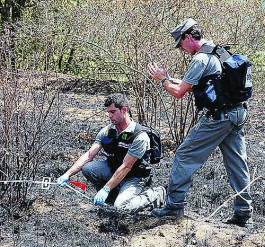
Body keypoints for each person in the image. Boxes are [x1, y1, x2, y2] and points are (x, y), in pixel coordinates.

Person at [147, 18, 253, 227]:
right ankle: (244, 213)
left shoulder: (200, 59)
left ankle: (174, 206)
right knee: (237, 163)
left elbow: (178, 92)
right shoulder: (218, 52)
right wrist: (168, 77)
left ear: (188, 37)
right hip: (237, 114)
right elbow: (199, 85)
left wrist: (163, 80)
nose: (180, 49)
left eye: (180, 44)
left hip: (219, 117)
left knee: (184, 155)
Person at [57, 93, 165, 212]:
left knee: (121, 207)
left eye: (113, 112)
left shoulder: (139, 136)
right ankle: (113, 195)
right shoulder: (108, 131)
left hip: (134, 176)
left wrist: (105, 189)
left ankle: (157, 194)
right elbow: (89, 155)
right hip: (115, 169)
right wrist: (67, 174)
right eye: (108, 112)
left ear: (124, 110)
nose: (109, 115)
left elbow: (126, 166)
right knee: (88, 168)